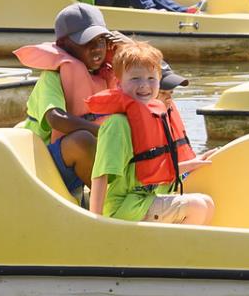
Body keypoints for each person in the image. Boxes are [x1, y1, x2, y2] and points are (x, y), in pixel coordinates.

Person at [87, 40, 214, 225]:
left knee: (207, 202)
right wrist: (95, 222)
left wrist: (193, 164)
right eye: (135, 78)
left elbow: (153, 169)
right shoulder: (117, 125)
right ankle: (174, 253)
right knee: (197, 206)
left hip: (145, 200)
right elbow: (100, 176)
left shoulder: (156, 116)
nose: (144, 85)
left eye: (151, 78)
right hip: (124, 208)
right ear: (119, 83)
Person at [16, 2, 121, 199]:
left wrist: (126, 49)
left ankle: (126, 197)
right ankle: (109, 208)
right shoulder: (52, 77)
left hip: (81, 161)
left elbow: (149, 84)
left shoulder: (106, 74)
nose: (96, 48)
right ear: (64, 45)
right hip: (42, 162)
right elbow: (56, 119)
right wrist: (104, 132)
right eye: (86, 42)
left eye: (101, 41)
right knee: (82, 140)